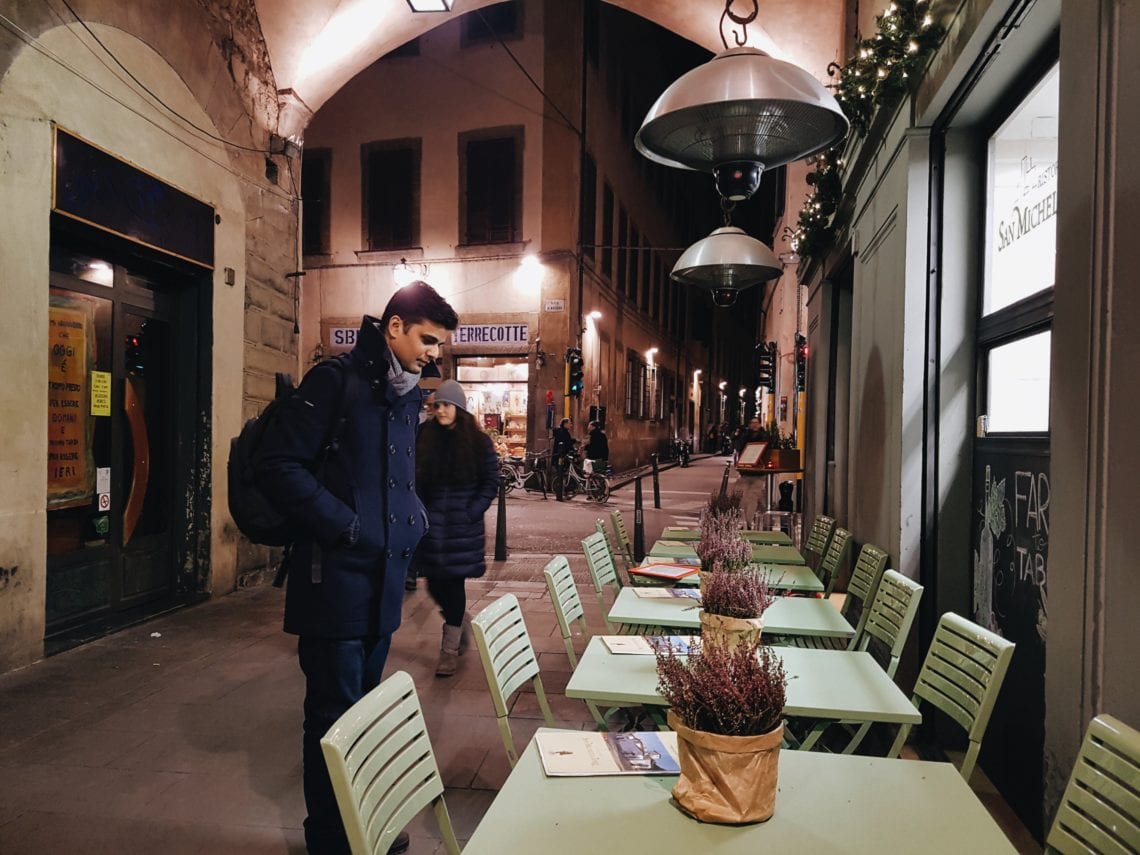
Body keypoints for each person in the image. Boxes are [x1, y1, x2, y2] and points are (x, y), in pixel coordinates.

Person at [253, 281, 458, 855]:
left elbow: (394, 480)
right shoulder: (335, 381)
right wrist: (344, 525)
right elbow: (277, 465)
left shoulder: (404, 394)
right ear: (394, 327)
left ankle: (363, 827)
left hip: (382, 586)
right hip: (333, 585)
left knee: (364, 717)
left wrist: (414, 520)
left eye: (439, 345)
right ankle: (332, 840)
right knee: (331, 721)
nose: (433, 354)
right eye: (427, 340)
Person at [413, 379, 499, 677]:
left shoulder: (478, 442)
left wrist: (471, 511)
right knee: (433, 584)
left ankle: (448, 651)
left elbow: (490, 482)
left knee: (452, 584)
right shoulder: (425, 436)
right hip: (432, 527)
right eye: (437, 405)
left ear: (459, 408)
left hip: (461, 528)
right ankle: (459, 621)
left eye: (446, 405)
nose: (440, 410)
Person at [551, 417, 575, 500]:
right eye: (569, 423)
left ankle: (562, 492)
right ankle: (560, 493)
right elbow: (566, 442)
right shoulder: (562, 432)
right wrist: (572, 447)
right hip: (560, 456)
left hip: (561, 456)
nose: (571, 425)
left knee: (562, 473)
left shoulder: (562, 431)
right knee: (561, 473)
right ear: (565, 424)